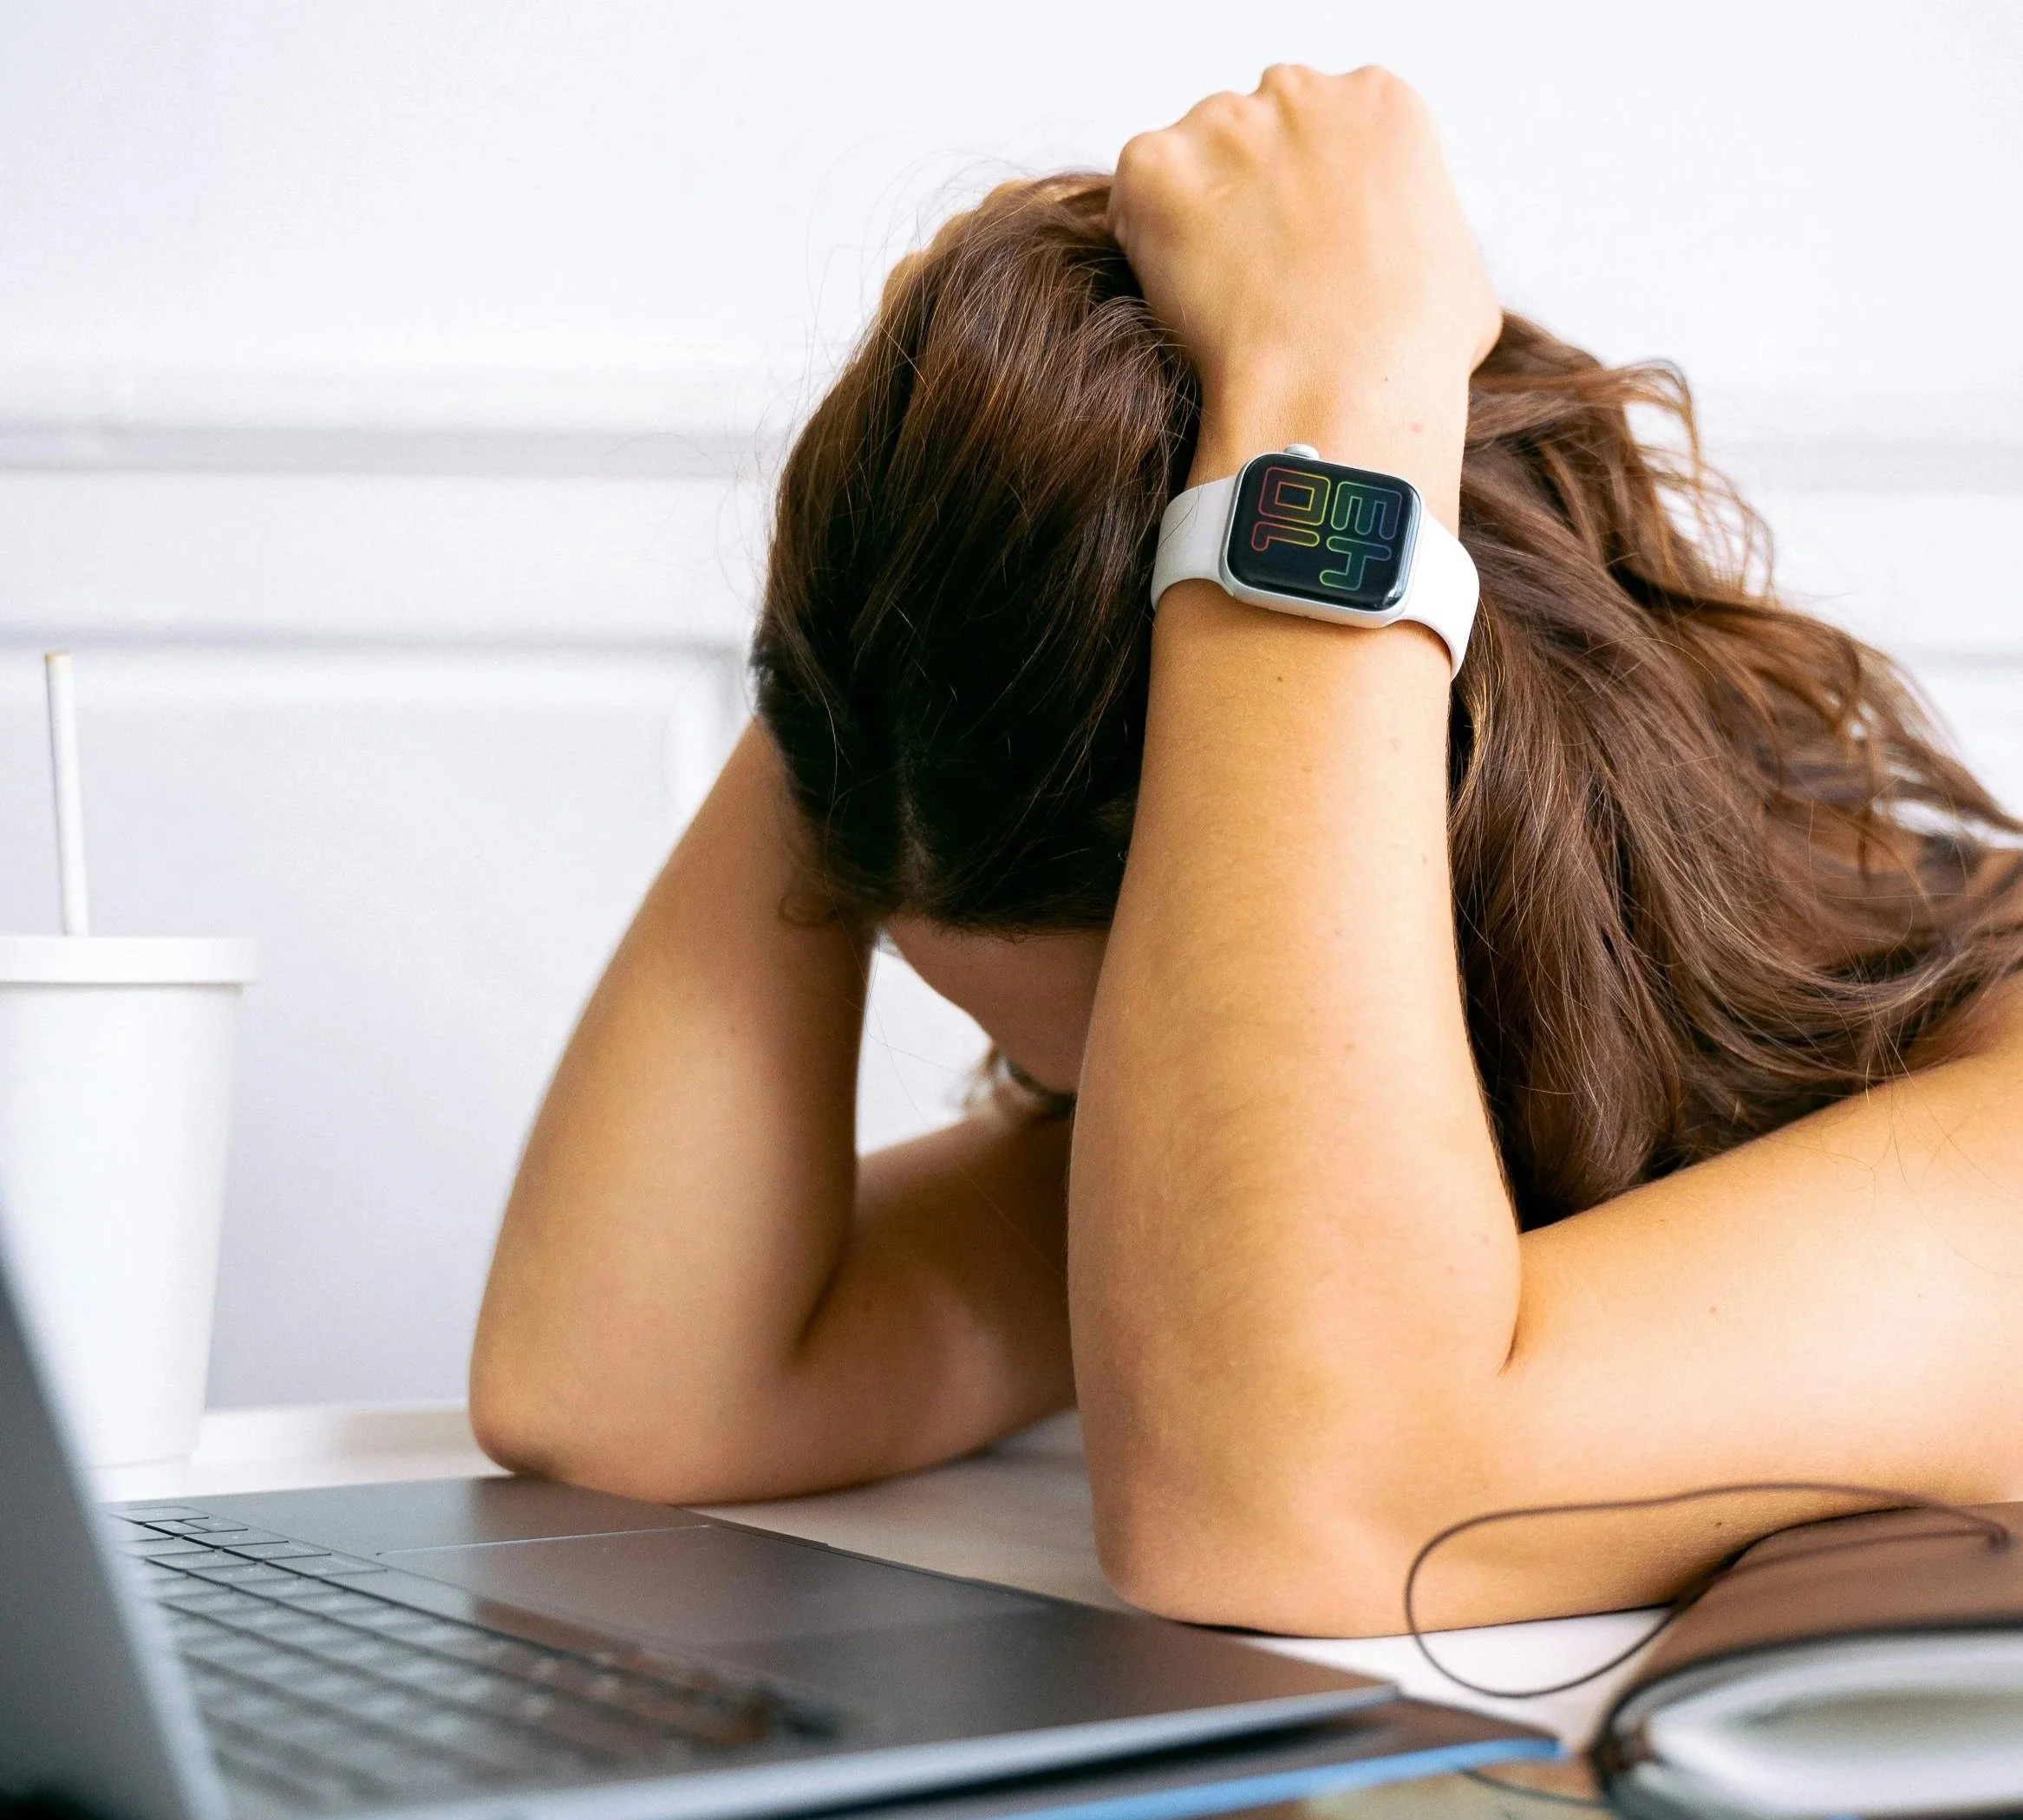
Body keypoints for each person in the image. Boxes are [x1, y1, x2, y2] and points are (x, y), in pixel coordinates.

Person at [470, 68, 2023, 1637]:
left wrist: (1330, 402)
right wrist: (906, 553)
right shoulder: (1422, 1146)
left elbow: (1311, 1507)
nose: (1102, 1115)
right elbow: (626, 1389)